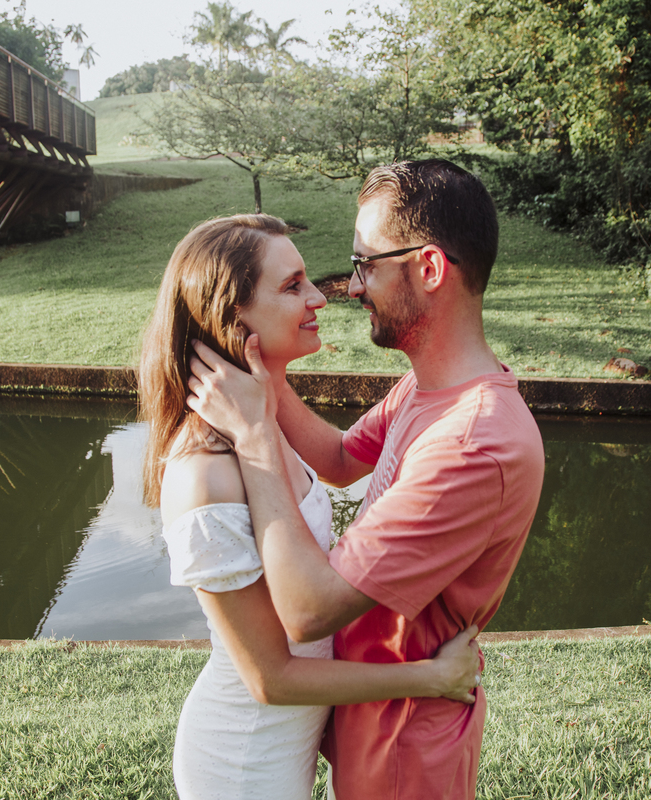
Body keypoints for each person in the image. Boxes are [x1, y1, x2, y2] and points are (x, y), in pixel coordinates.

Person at [186, 160, 546, 799]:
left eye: (366, 264)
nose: (350, 287)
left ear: (428, 269)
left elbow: (308, 610)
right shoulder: (428, 388)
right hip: (368, 722)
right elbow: (341, 458)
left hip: (404, 749)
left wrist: (255, 436)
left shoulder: (471, 444)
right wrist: (259, 368)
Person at [139, 213, 484, 800]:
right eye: (292, 285)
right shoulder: (205, 475)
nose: (320, 298)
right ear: (235, 317)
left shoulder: (259, 424)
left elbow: (341, 458)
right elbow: (270, 678)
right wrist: (429, 678)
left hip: (288, 748)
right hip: (244, 763)